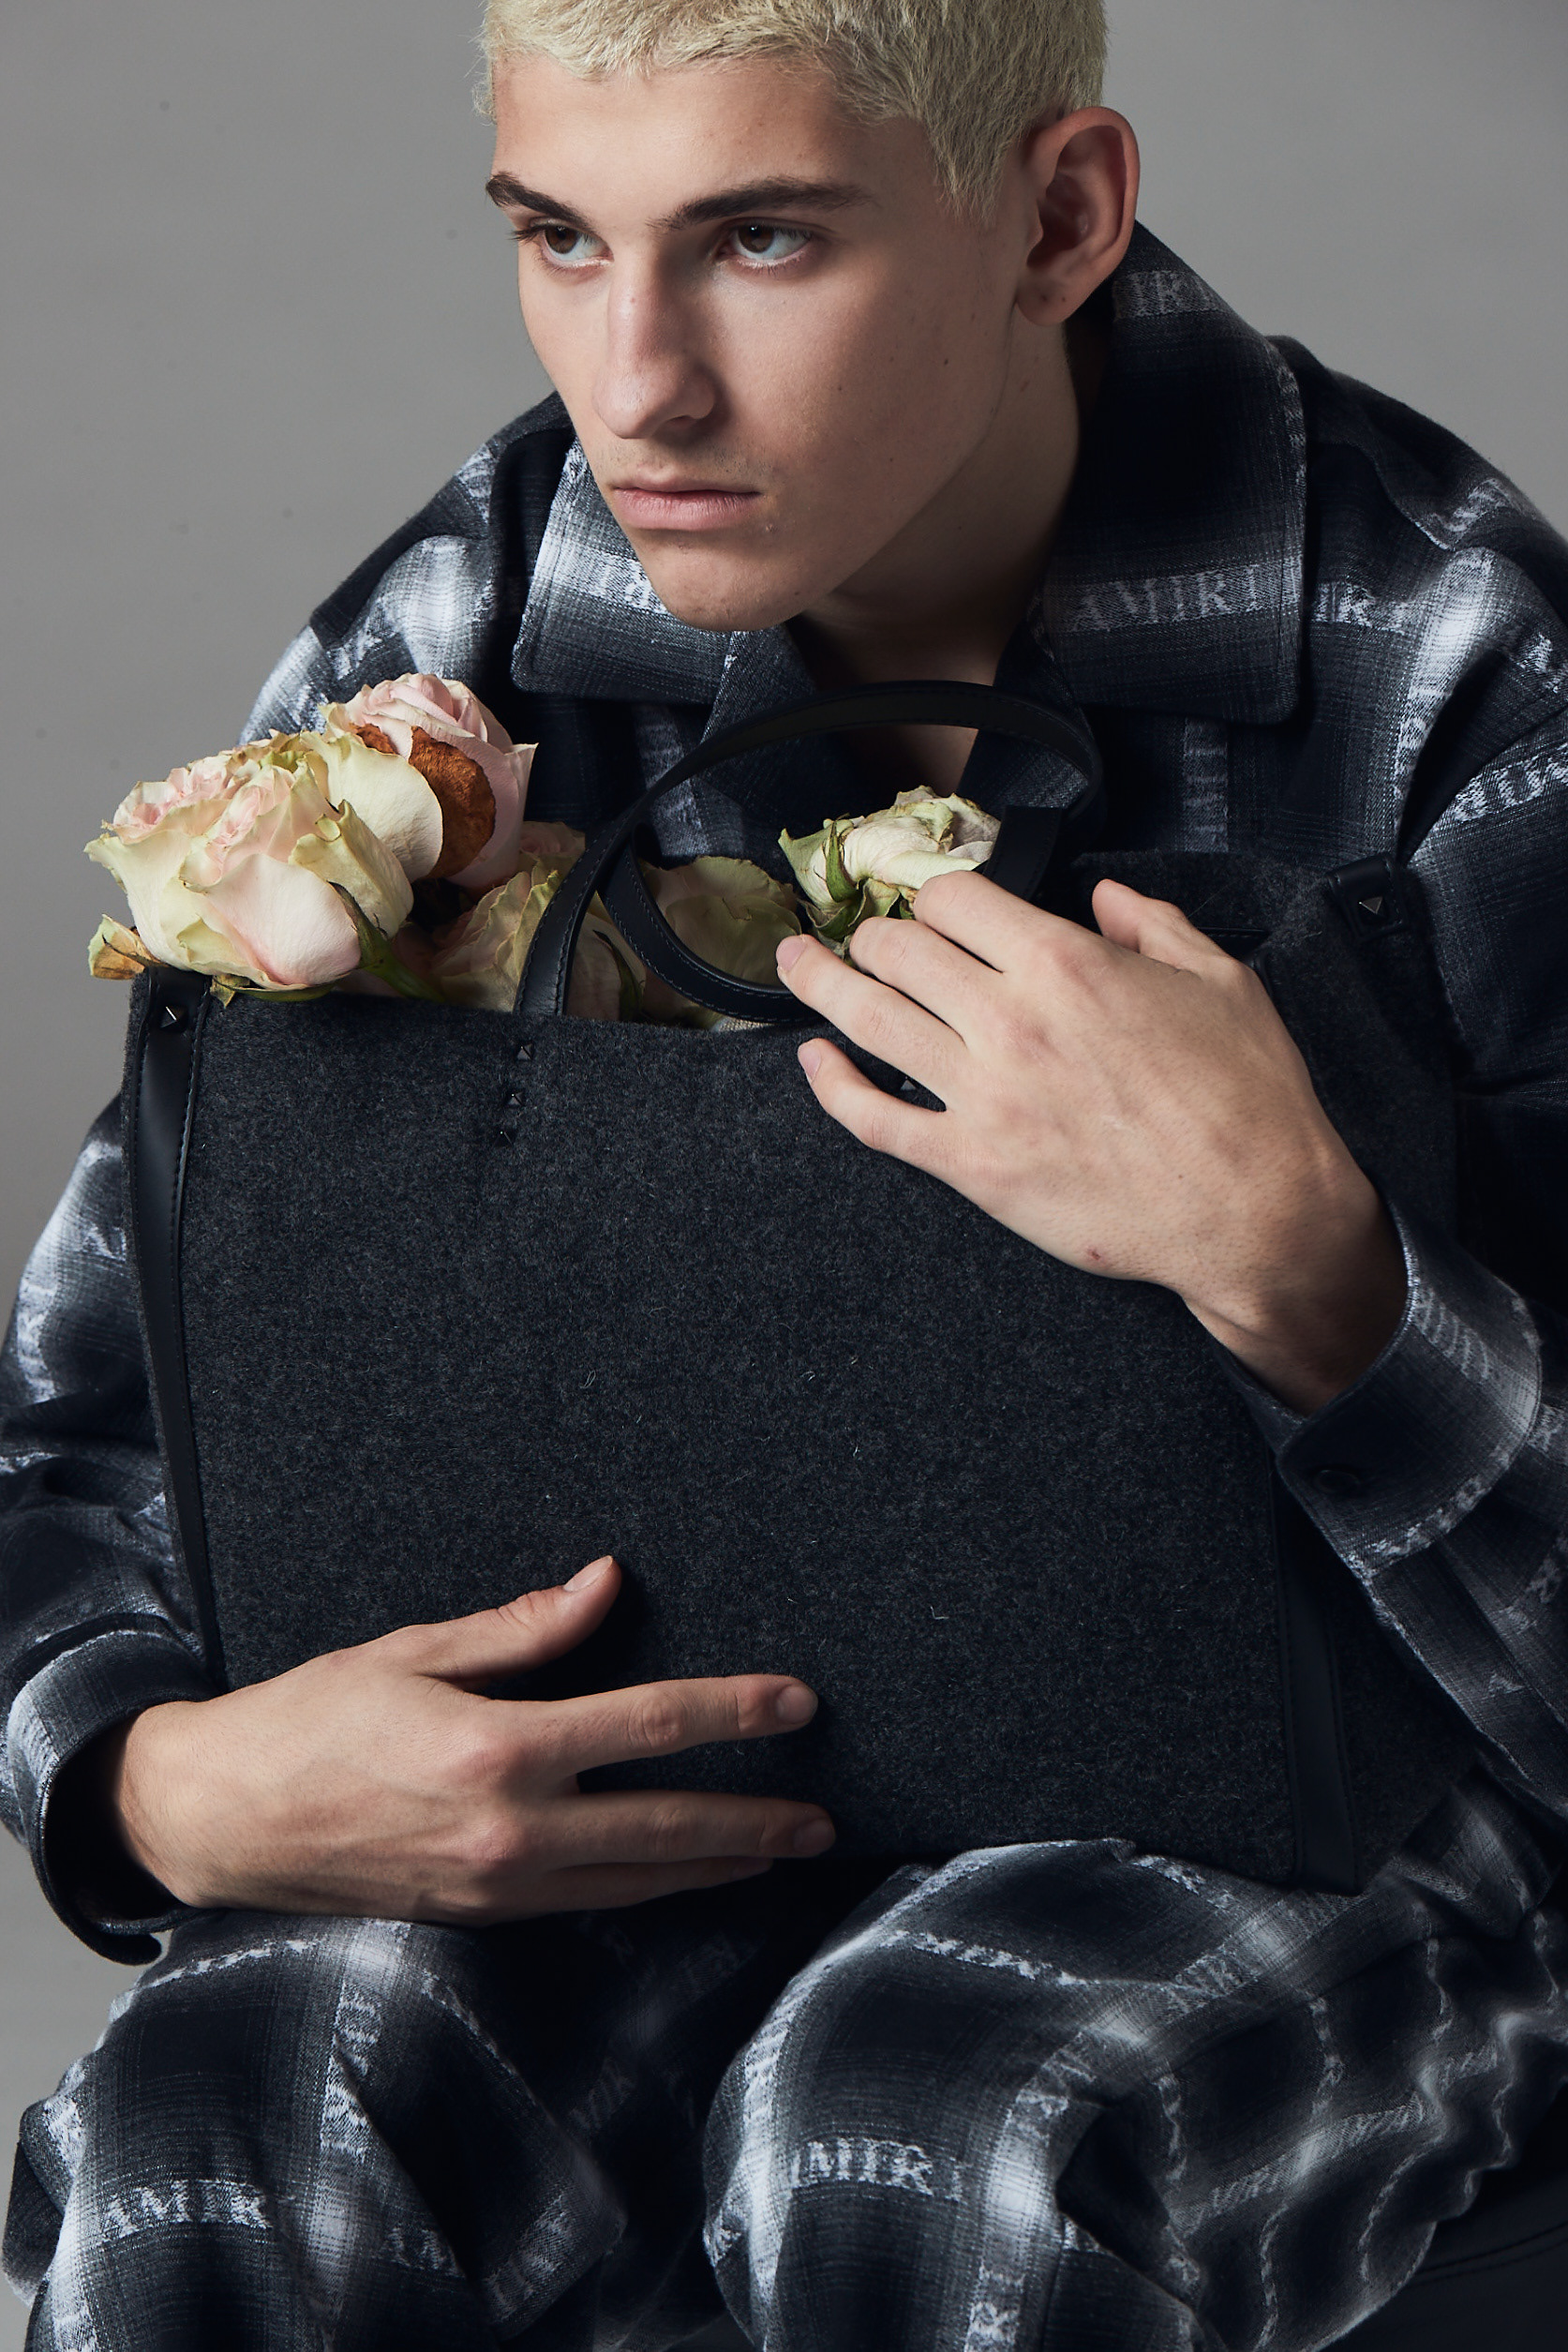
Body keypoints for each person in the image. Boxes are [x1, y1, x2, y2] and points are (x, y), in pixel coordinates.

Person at [5, 1, 1568, 2345]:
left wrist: (1316, 1269)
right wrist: (152, 1786)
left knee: (925, 2115)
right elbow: (79, 1435)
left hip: (1344, 1828)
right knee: (223, 2111)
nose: (635, 388)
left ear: (1059, 217)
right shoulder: (455, 652)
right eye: (560, 238)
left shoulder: (1459, 669)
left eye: (760, 242)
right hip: (643, 1794)